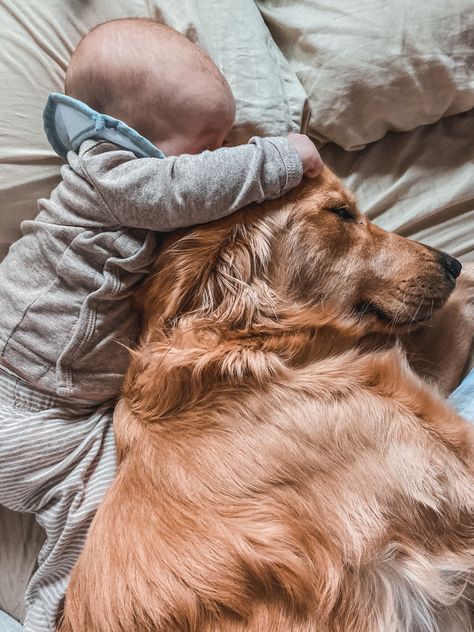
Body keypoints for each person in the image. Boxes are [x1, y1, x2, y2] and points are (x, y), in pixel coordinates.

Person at [0, 17, 322, 632]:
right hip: (34, 409)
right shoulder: (108, 173)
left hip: (48, 393)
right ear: (130, 135)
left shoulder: (114, 187)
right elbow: (175, 190)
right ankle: (55, 613)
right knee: (109, 504)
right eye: (204, 146)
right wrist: (278, 158)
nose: (214, 159)